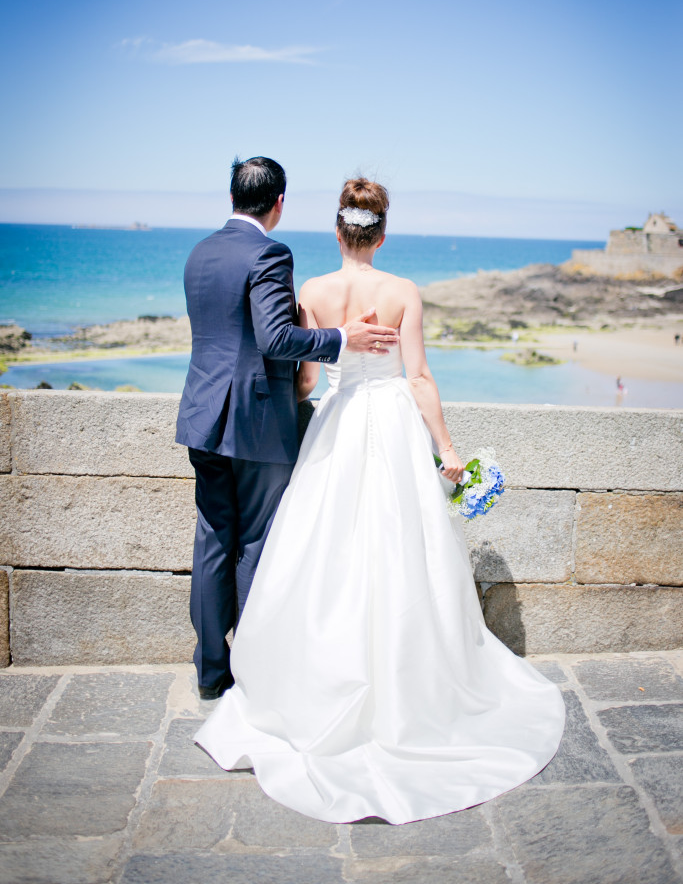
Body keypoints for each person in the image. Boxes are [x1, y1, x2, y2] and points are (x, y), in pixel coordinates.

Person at [194, 177, 565, 823]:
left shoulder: (311, 290)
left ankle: (297, 677)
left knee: (323, 552)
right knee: (402, 550)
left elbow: (308, 375)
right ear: (381, 232)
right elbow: (417, 376)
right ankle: (410, 683)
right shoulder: (401, 292)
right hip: (392, 425)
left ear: (338, 231)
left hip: (336, 421)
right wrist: (447, 449)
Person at [175, 159, 399, 699]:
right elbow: (275, 339)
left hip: (203, 418)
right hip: (254, 422)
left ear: (233, 195)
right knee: (255, 543)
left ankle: (210, 674)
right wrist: (341, 339)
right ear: (279, 203)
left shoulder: (199, 251)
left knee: (211, 542)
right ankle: (254, 671)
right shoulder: (270, 252)